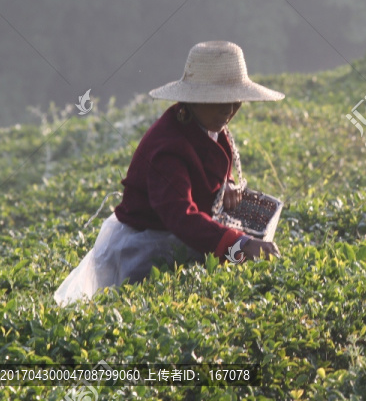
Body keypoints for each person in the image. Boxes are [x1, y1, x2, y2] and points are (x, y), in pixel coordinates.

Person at [54, 41, 282, 307]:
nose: (229, 109)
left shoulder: (208, 123)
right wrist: (240, 245)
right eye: (219, 100)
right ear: (193, 99)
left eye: (235, 99)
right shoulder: (168, 148)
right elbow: (180, 216)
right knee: (136, 306)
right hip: (145, 246)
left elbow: (208, 167)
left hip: (178, 234)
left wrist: (225, 185)